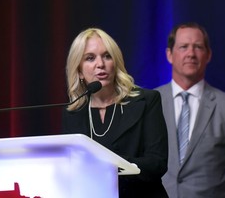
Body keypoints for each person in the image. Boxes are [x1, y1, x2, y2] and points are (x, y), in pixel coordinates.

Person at [62, 28, 168, 197]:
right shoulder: (74, 113)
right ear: (80, 70)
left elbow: (157, 164)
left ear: (115, 62)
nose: (100, 64)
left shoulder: (146, 101)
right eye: (90, 58)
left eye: (107, 56)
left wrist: (108, 164)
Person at [155, 22, 225, 197]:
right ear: (169, 55)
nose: (191, 54)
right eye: (183, 47)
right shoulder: (148, 104)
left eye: (198, 47)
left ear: (208, 55)